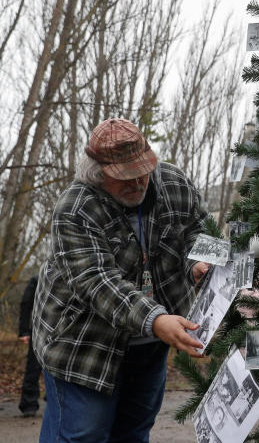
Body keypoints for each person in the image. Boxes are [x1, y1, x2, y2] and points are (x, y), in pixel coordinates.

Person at [32, 118, 212, 443]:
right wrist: (156, 320)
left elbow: (198, 228)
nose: (137, 181)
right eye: (123, 176)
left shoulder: (173, 182)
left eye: (142, 170)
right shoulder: (74, 209)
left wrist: (198, 261)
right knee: (83, 435)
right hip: (84, 343)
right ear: (97, 174)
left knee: (133, 432)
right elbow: (98, 283)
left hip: (151, 345)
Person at [18, 273, 42, 417]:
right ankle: (28, 404)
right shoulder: (37, 279)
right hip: (39, 330)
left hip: (63, 330)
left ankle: (52, 400)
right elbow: (26, 304)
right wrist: (23, 331)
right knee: (33, 367)